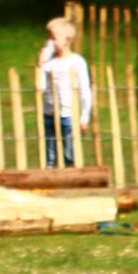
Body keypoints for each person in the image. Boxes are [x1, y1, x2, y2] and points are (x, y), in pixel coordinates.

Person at [36, 17, 92, 169]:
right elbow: (40, 88)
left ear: (68, 40)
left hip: (68, 115)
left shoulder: (77, 62)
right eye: (49, 38)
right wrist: (40, 65)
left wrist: (84, 116)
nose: (50, 43)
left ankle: (71, 173)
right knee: (50, 152)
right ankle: (50, 174)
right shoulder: (49, 64)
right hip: (49, 113)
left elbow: (85, 90)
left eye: (53, 38)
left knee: (69, 152)